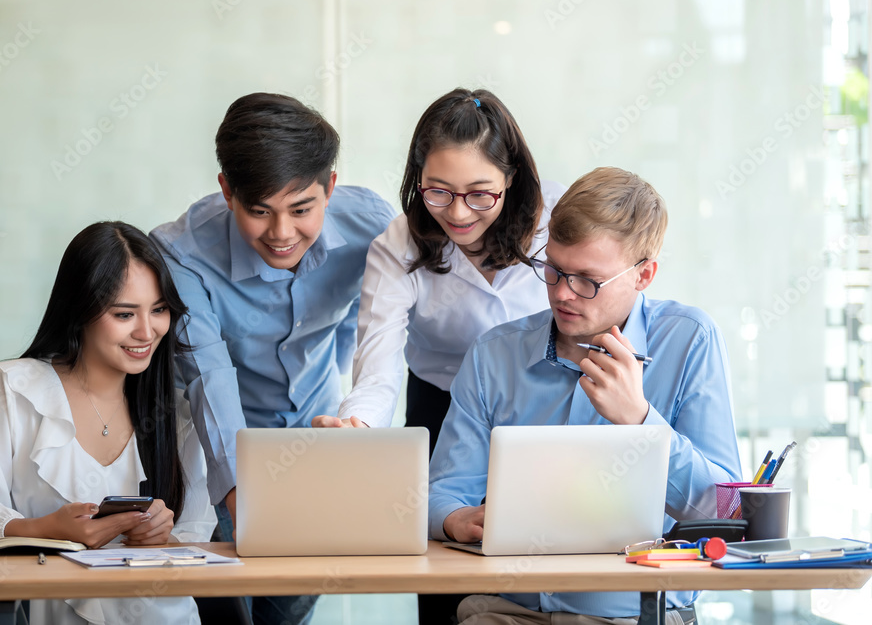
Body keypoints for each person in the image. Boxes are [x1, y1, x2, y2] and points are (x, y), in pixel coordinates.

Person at [430, 167, 741, 625]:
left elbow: (728, 513)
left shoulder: (690, 340)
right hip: (507, 613)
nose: (562, 294)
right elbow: (441, 493)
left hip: (640, 616)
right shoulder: (494, 354)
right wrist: (454, 518)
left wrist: (639, 421)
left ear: (644, 275)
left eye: (587, 281)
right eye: (553, 270)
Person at [151, 92, 395, 624]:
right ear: (227, 192)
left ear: (330, 187)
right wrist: (243, 502)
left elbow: (383, 332)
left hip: (315, 444)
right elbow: (207, 376)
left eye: (302, 209)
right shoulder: (181, 252)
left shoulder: (372, 224)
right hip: (210, 457)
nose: (282, 234)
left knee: (286, 616)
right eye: (259, 211)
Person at [0, 222, 216, 625]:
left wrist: (163, 536)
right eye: (125, 314)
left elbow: (195, 538)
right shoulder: (18, 388)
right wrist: (43, 529)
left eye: (159, 309)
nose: (147, 331)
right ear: (81, 310)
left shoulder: (175, 410)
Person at [315, 88, 565, 448]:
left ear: (510, 177)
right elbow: (377, 370)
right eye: (439, 191)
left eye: (480, 193)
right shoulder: (398, 246)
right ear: (419, 178)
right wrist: (358, 426)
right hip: (442, 402)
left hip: (546, 396)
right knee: (433, 502)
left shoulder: (558, 218)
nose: (458, 214)